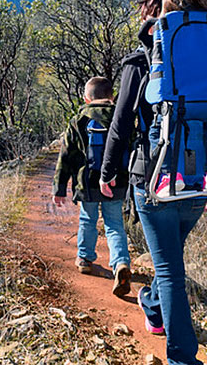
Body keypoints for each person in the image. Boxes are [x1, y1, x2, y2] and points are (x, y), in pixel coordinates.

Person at [101, 0, 207, 365]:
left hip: (153, 178)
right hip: (200, 181)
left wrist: (108, 171)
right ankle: (153, 307)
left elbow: (121, 123)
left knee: (170, 267)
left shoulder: (141, 62)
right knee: (169, 257)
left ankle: (182, 358)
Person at [52, 76, 132, 297]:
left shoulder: (79, 120)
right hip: (117, 181)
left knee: (88, 219)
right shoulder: (121, 116)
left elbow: (66, 155)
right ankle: (121, 263)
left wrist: (59, 188)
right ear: (112, 96)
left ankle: (85, 258)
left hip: (86, 183)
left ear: (87, 98)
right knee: (114, 224)